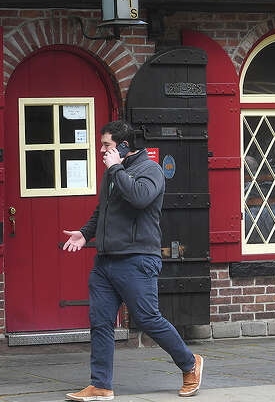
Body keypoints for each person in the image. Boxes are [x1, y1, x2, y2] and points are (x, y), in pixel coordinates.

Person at [62, 120, 204, 400]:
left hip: (137, 259)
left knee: (148, 318)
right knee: (100, 322)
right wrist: (84, 234)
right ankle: (101, 384)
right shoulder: (112, 173)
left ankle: (190, 364)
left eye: (107, 145)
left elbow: (140, 198)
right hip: (105, 262)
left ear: (124, 146)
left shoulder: (150, 170)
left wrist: (115, 168)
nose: (101, 150)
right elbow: (102, 210)